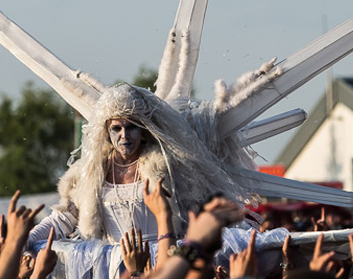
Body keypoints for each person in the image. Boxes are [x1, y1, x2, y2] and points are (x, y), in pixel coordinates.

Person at [27, 83, 255, 246]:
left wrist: (245, 229)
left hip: (161, 257)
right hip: (110, 268)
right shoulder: (89, 173)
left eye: (131, 127)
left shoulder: (167, 167)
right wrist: (24, 240)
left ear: (144, 130)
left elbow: (200, 211)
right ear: (107, 132)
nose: (124, 135)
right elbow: (63, 219)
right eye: (117, 128)